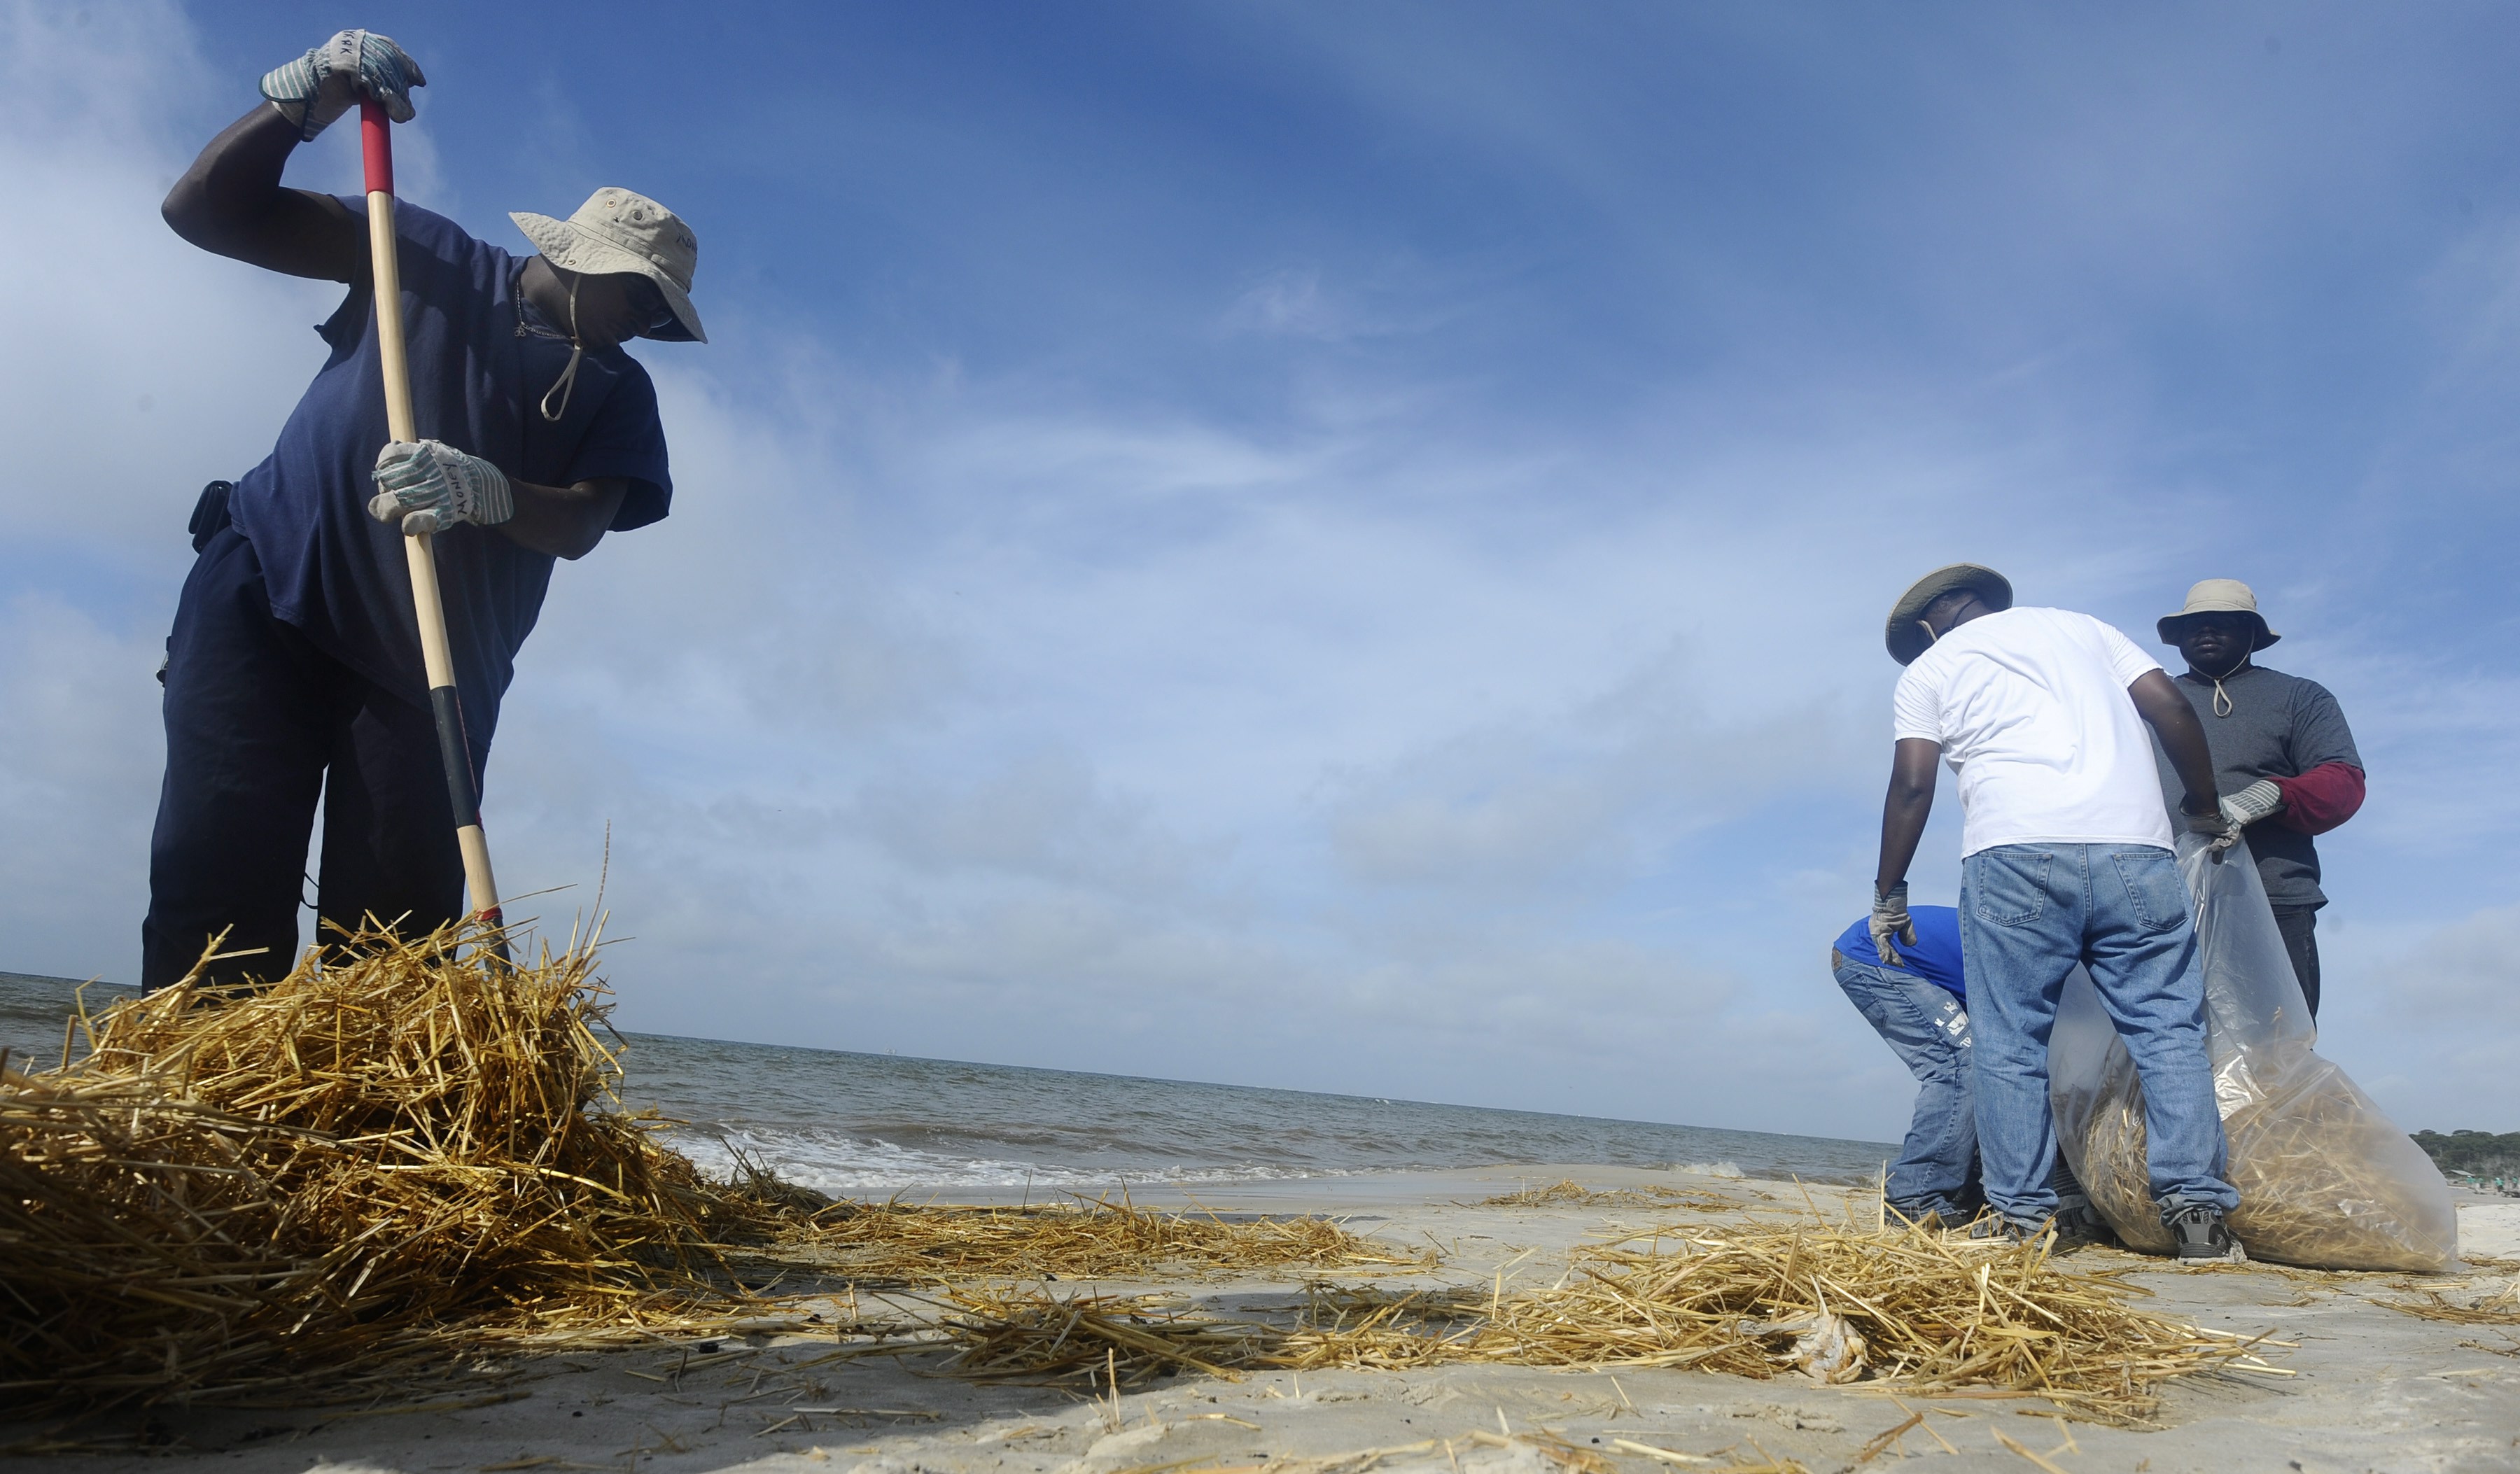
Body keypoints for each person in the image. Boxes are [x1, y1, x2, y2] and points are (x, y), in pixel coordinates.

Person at [143, 31, 705, 990]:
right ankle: (197, 1124)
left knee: (393, 945)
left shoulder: (620, 392)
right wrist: (301, 103)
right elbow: (204, 212)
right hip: (273, 581)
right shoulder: (421, 252)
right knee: (218, 880)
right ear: (575, 257)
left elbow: (576, 524)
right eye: (639, 298)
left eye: (661, 315)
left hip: (432, 667)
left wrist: (482, 489)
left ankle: (367, 1132)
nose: (646, 324)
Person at [1870, 564, 2245, 1260]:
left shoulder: (1929, 670)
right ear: (1985, 601)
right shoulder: (2087, 630)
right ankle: (2197, 1213)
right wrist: (2202, 806)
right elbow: (2172, 710)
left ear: (1928, 626)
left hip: (2012, 854)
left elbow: (1913, 783)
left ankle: (2021, 1220)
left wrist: (1889, 891)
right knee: (2167, 1031)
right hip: (2137, 851)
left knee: (2011, 1040)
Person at [2153, 580, 2364, 1018]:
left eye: (2223, 622)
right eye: (2194, 624)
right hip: (2163, 904)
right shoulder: (2150, 704)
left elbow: (2343, 781)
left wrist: (2267, 796)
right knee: (2167, 1042)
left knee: (2279, 1042)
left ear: (2252, 634)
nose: (2206, 630)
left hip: (2274, 898)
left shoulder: (2300, 697)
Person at [1830, 904, 1978, 1226]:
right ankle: (1913, 1198)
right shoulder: (2046, 966)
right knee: (1958, 1065)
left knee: (1986, 1070)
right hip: (1876, 954)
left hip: (1894, 959)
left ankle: (1962, 1193)